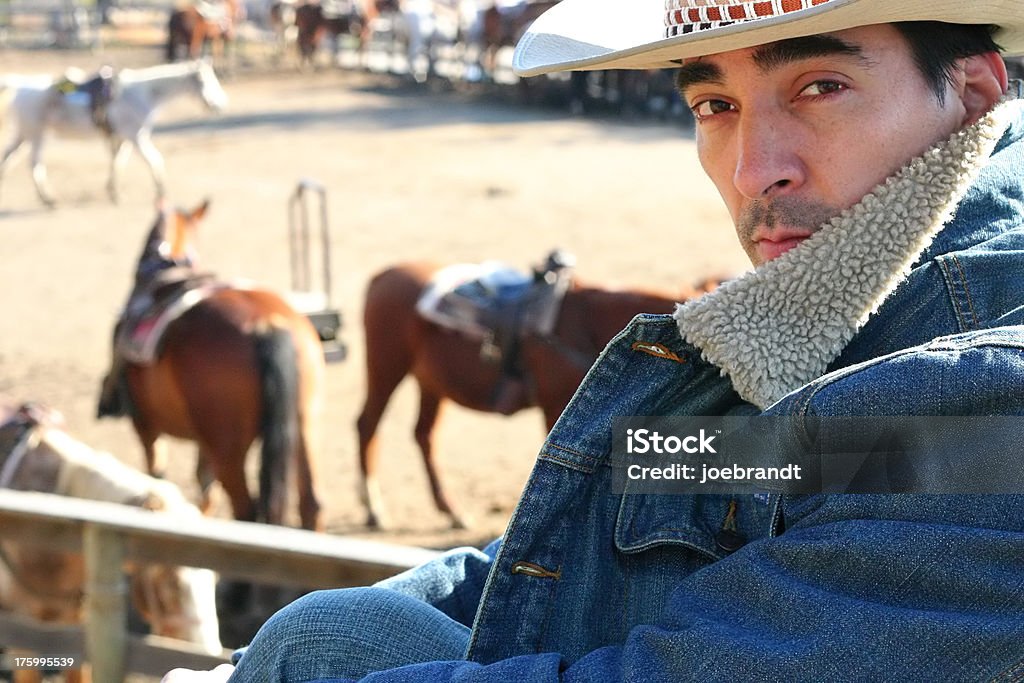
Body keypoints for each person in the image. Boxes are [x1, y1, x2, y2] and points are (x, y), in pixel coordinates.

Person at [165, 1, 1024, 680]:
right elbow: (584, 538)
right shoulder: (806, 329)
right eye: (714, 105)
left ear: (975, 93)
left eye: (820, 87)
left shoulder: (982, 392)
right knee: (325, 629)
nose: (753, 169)